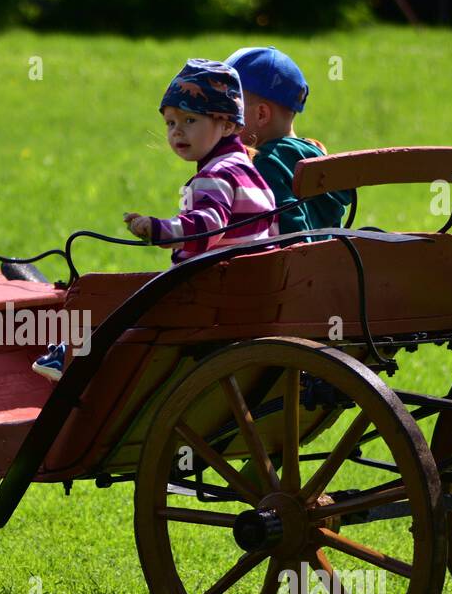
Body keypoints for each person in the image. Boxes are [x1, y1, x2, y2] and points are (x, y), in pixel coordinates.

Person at [33, 58, 275, 381]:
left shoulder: (215, 176)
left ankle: (71, 357)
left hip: (205, 297)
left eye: (190, 120)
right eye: (171, 123)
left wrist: (158, 229)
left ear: (228, 125)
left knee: (98, 295)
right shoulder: (253, 177)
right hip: (242, 295)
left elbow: (207, 228)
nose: (177, 132)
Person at [222, 45, 349, 236]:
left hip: (294, 265)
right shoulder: (317, 153)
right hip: (332, 260)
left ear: (261, 114)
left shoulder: (265, 164)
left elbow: (292, 239)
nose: (220, 119)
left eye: (229, 109)